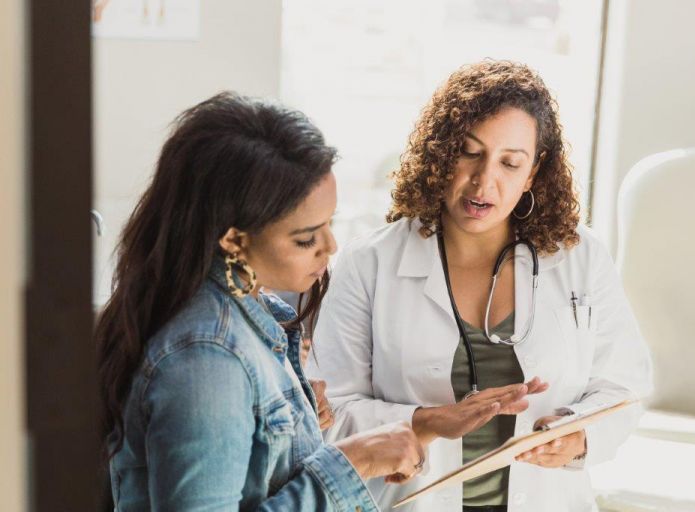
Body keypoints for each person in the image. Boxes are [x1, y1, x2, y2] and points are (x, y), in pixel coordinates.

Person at [307, 61, 653, 512]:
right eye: (469, 152)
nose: (484, 180)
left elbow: (624, 386)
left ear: (533, 172)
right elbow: (327, 412)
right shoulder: (369, 263)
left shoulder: (580, 257)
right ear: (441, 152)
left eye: (510, 163)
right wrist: (426, 421)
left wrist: (578, 434)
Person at [96, 92, 424, 511]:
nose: (330, 246)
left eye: (329, 224)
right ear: (233, 239)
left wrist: (299, 428)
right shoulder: (207, 357)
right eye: (306, 238)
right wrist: (351, 463)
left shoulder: (244, 313)